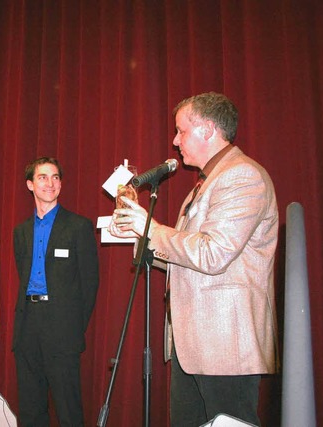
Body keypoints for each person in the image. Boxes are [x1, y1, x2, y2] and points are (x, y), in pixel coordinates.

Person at [109, 92, 278, 426]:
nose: (175, 141)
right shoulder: (205, 184)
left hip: (226, 345)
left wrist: (153, 229)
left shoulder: (242, 176)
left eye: (181, 131)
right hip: (195, 345)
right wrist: (139, 237)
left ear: (208, 129)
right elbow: (186, 255)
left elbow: (212, 253)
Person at [12, 157, 100, 427]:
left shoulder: (79, 226)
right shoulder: (21, 231)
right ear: (30, 184)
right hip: (27, 326)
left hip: (62, 330)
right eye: (42, 177)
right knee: (30, 407)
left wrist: (73, 326)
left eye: (55, 177)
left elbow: (90, 283)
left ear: (61, 184)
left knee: (68, 408)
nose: (49, 183)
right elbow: (21, 273)